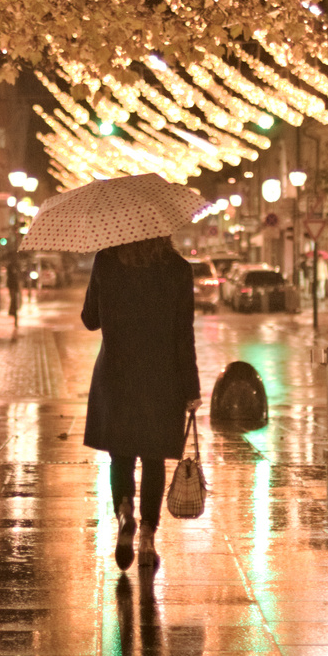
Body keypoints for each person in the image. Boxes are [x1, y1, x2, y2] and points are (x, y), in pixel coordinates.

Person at [82, 236, 201, 572]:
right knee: (153, 458)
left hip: (116, 374)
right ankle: (148, 536)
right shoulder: (177, 269)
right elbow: (183, 334)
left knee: (120, 454)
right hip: (162, 378)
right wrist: (191, 387)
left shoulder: (106, 260)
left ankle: (124, 513)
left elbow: (90, 319)